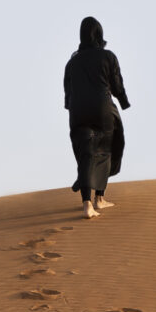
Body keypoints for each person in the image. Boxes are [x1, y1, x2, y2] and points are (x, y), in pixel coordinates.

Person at [63, 16, 130, 218]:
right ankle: (99, 199)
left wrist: (72, 107)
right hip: (102, 109)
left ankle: (86, 205)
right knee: (105, 150)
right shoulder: (108, 57)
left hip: (78, 112)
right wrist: (124, 102)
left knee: (86, 153)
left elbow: (68, 93)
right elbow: (116, 85)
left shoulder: (72, 63)